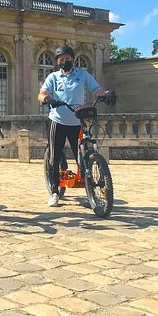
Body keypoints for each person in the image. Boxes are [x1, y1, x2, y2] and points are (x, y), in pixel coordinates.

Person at [38, 45, 116, 207]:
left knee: (83, 155)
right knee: (55, 156)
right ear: (57, 61)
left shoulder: (82, 75)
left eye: (67, 58)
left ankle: (90, 189)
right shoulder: (53, 77)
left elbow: (97, 89)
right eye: (61, 59)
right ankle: (54, 191)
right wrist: (48, 99)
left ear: (73, 59)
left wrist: (107, 94)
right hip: (58, 120)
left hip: (77, 120)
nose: (64, 61)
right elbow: (42, 93)